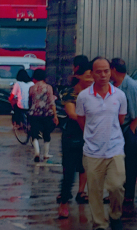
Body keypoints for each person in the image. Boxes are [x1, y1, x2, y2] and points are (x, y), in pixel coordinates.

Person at [76, 57, 127, 230]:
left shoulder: (120, 95)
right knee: (95, 192)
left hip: (115, 148)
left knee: (116, 186)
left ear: (111, 72)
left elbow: (120, 119)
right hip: (92, 152)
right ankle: (99, 224)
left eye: (106, 71)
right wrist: (93, 136)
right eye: (99, 71)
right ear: (92, 73)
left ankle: (115, 214)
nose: (103, 75)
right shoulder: (83, 97)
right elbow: (81, 120)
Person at [58, 59, 93, 219]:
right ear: (79, 76)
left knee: (86, 167)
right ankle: (64, 202)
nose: (91, 79)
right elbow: (72, 114)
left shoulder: (95, 94)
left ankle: (82, 192)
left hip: (89, 137)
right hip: (72, 136)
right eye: (88, 76)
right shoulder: (69, 93)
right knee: (69, 172)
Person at [110, 58, 137, 214]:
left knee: (130, 163)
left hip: (129, 127)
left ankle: (129, 194)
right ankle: (116, 193)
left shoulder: (132, 86)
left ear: (114, 70)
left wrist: (129, 131)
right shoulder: (112, 86)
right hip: (115, 128)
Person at [28, 69, 58, 163]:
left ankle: (37, 152)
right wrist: (55, 115)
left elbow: (30, 101)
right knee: (46, 133)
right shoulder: (48, 87)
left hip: (34, 113)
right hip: (46, 113)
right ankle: (45, 154)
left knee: (34, 133)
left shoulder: (32, 88)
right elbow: (51, 102)